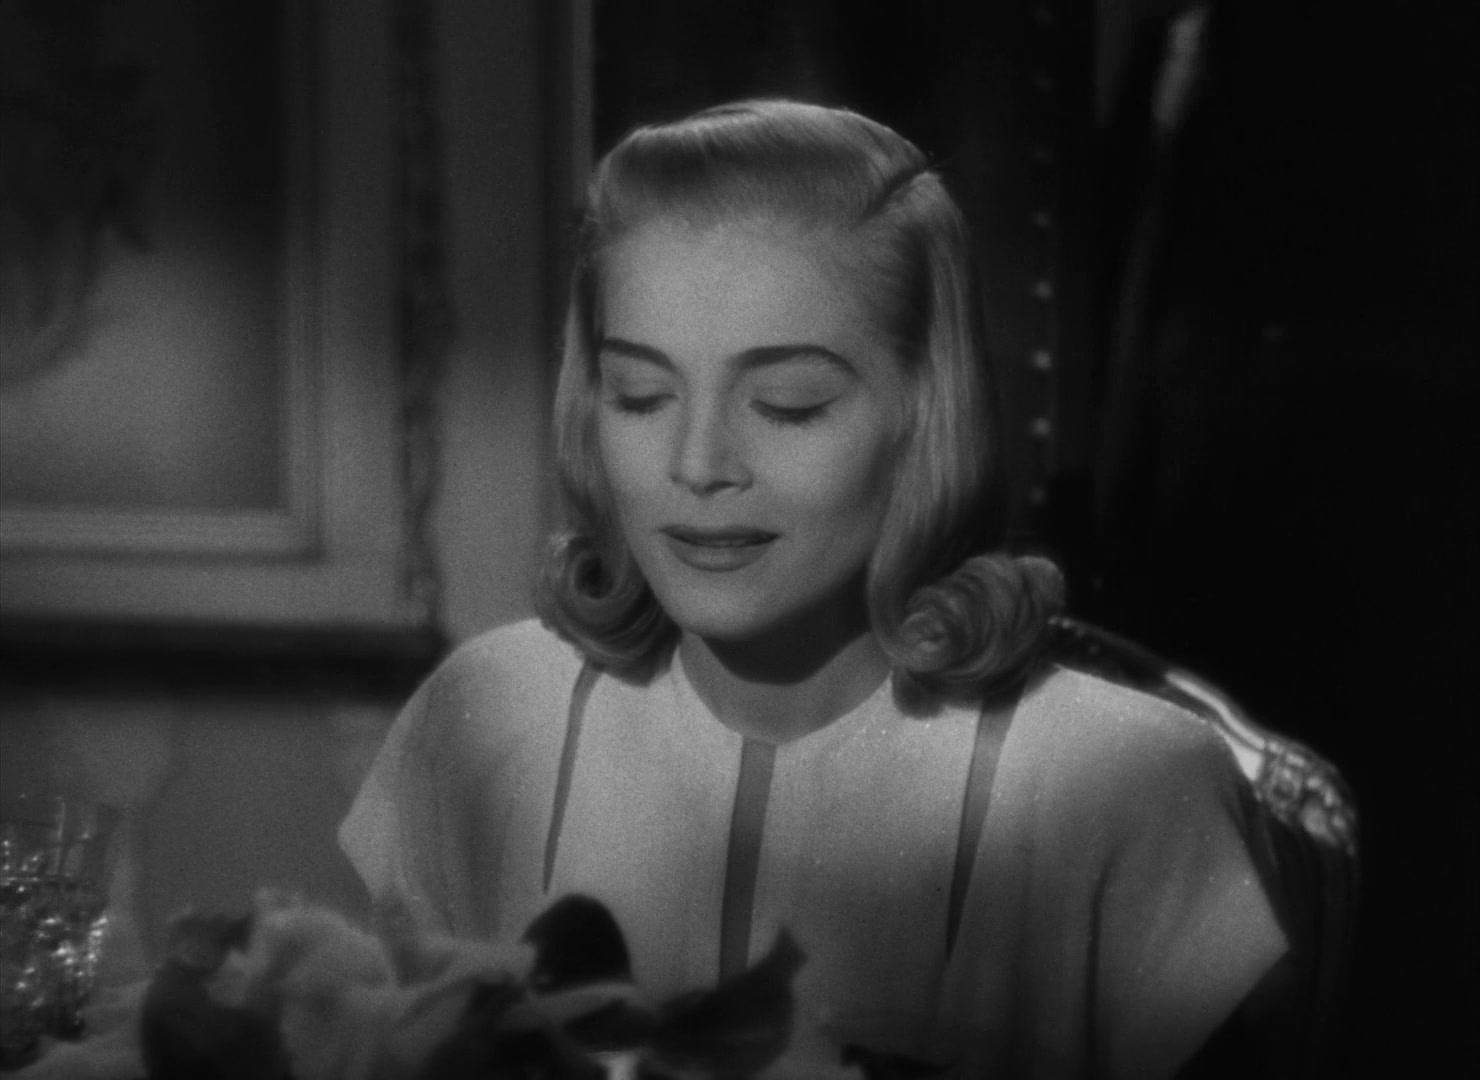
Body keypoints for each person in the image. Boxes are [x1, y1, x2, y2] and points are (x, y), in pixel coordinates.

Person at [340, 100, 1287, 1077]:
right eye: (641, 396)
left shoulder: (1127, 785)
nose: (697, 464)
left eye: (786, 406)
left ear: (926, 412)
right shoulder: (484, 721)